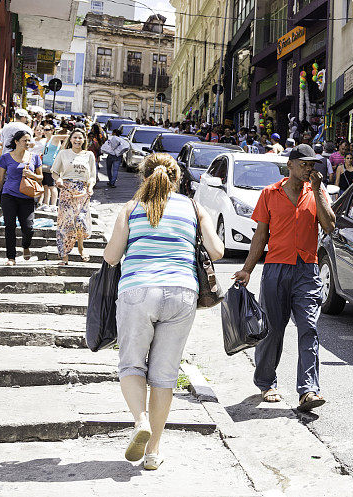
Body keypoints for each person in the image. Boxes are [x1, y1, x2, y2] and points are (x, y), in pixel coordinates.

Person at [103, 153, 224, 470]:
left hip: (137, 292)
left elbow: (112, 257)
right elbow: (217, 251)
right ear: (179, 179)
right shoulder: (195, 208)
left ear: (143, 178)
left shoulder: (131, 208)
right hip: (182, 293)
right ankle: (153, 452)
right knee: (165, 375)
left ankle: (140, 421)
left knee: (131, 365)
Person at [232, 144, 336, 411]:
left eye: (312, 165)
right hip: (276, 268)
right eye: (303, 165)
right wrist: (247, 269)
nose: (308, 169)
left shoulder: (317, 193)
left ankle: (309, 390)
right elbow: (260, 236)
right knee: (273, 330)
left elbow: (329, 225)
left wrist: (316, 192)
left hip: (307, 270)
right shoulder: (269, 193)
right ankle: (267, 382)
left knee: (309, 328)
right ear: (289, 165)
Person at [0, 130, 43, 266]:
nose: (27, 143)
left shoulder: (35, 157)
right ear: (16, 142)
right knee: (10, 226)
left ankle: (25, 246)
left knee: (28, 228)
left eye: (28, 140)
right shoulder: (6, 157)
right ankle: (11, 257)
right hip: (9, 195)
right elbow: (0, 179)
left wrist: (31, 174)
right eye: (24, 140)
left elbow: (41, 177)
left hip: (27, 196)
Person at [52, 129, 97, 265]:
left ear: (84, 140)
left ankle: (81, 247)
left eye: (80, 138)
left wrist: (90, 187)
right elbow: (54, 172)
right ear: (70, 139)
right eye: (75, 137)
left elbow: (92, 176)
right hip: (66, 190)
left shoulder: (89, 155)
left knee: (80, 221)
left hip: (82, 191)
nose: (77, 140)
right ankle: (64, 257)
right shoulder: (63, 153)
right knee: (66, 223)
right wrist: (58, 180)